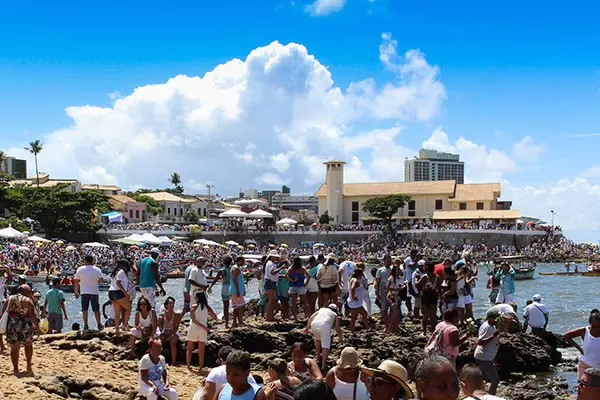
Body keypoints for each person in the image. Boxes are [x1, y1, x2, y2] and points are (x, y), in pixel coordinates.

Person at [0, 284, 39, 375]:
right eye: (29, 292)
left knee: (14, 348)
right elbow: (32, 315)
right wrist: (37, 326)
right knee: (28, 345)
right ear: (25, 292)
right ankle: (28, 365)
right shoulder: (28, 301)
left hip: (12, 324)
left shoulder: (10, 299)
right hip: (26, 324)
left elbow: (3, 313)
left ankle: (16, 369)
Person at [564, 309, 600, 380]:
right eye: (594, 326)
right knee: (582, 387)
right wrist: (580, 348)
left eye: (599, 327)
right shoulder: (584, 331)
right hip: (585, 365)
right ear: (590, 323)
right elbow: (566, 336)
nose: (597, 329)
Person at [305, 304, 342, 370]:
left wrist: (307, 328)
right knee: (326, 345)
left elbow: (311, 318)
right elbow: (337, 327)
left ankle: (318, 356)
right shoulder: (335, 314)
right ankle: (323, 364)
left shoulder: (321, 309)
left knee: (317, 339)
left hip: (314, 324)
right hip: (325, 326)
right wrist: (340, 337)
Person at [187, 291, 217, 371]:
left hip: (194, 328)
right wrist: (206, 324)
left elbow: (193, 320)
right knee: (201, 350)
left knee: (190, 348)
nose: (195, 298)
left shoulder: (194, 306)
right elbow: (215, 316)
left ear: (198, 298)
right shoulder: (207, 307)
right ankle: (200, 367)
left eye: (195, 297)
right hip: (203, 330)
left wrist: (203, 326)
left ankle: (188, 365)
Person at [474, 308, 502, 395]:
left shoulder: (491, 326)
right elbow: (480, 342)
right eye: (496, 317)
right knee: (495, 379)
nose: (498, 319)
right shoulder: (486, 327)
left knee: (484, 377)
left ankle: (476, 393)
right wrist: (493, 336)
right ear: (490, 317)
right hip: (484, 357)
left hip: (487, 356)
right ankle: (490, 397)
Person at [74, 254, 103, 331]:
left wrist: (76, 292)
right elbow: (100, 280)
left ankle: (86, 325)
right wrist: (95, 281)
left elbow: (76, 281)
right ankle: (99, 324)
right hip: (94, 291)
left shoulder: (80, 269)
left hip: (84, 291)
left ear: (85, 260)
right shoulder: (97, 269)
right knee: (96, 309)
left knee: (84, 309)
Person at [108, 259, 132, 334]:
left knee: (117, 312)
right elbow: (118, 283)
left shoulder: (115, 272)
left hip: (111, 292)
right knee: (128, 308)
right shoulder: (121, 272)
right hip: (118, 292)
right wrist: (125, 293)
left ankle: (117, 329)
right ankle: (124, 325)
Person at [208, 256, 233, 327]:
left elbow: (215, 279)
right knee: (234, 305)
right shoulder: (233, 269)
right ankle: (234, 321)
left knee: (225, 306)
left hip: (225, 288)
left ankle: (226, 323)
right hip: (232, 288)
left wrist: (210, 286)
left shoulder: (222, 270)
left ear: (223, 262)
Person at [158, 296, 183, 365]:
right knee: (159, 342)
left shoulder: (176, 315)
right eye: (170, 303)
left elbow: (176, 327)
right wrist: (162, 332)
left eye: (173, 303)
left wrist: (171, 334)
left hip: (174, 332)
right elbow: (160, 326)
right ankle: (158, 359)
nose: (172, 305)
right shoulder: (162, 315)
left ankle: (173, 362)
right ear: (166, 305)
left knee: (173, 343)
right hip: (165, 331)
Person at [416, 261, 439, 335]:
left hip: (425, 296)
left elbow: (417, 285)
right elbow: (439, 286)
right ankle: (433, 331)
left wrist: (417, 279)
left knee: (425, 315)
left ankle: (424, 332)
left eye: (425, 266)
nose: (423, 267)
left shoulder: (425, 276)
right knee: (433, 315)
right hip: (434, 295)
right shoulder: (436, 276)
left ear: (427, 268)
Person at [286, 257, 311, 321]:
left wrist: (292, 280)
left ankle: (295, 318)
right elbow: (309, 276)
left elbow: (286, 276)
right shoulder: (302, 268)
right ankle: (308, 316)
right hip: (301, 286)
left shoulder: (291, 268)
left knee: (293, 303)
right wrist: (306, 283)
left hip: (292, 286)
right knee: (305, 302)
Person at [347, 268, 369, 332]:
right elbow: (352, 288)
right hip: (355, 303)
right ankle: (352, 331)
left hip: (358, 302)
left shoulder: (354, 279)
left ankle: (367, 329)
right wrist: (353, 297)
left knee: (365, 314)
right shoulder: (355, 280)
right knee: (354, 318)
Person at [386, 262, 405, 333]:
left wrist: (400, 286)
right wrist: (397, 289)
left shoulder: (397, 278)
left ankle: (396, 326)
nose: (399, 271)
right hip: (391, 295)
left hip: (396, 295)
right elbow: (387, 288)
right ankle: (390, 327)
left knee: (396, 311)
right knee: (395, 311)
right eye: (397, 270)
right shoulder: (391, 278)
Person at [264, 251, 283, 322]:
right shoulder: (270, 264)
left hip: (271, 282)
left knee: (272, 301)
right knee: (271, 301)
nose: (277, 258)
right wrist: (281, 268)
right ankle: (269, 317)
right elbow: (273, 272)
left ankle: (270, 316)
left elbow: (273, 274)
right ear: (271, 256)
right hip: (270, 283)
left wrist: (282, 275)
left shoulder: (271, 263)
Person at [375, 255, 393, 325]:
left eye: (390, 260)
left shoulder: (393, 269)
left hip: (392, 290)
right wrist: (377, 293)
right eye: (388, 260)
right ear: (384, 261)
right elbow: (377, 282)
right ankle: (386, 324)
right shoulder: (380, 270)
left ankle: (391, 322)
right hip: (383, 290)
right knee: (384, 307)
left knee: (392, 307)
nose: (389, 262)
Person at [230, 256, 247, 327]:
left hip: (236, 290)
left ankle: (235, 322)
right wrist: (237, 290)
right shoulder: (235, 268)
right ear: (239, 261)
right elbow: (234, 280)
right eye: (243, 261)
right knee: (241, 306)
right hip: (236, 290)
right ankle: (240, 321)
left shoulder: (236, 268)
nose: (244, 263)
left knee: (236, 307)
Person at [0, 264, 13, 352]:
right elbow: (10, 278)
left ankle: (2, 345)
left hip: (1, 302)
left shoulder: (1, 280)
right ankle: (2, 346)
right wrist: (8, 269)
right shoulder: (1, 280)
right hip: (0, 302)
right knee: (1, 324)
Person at [404, 250, 417, 318]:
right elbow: (411, 266)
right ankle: (410, 311)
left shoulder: (414, 260)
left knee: (415, 295)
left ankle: (415, 311)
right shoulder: (408, 259)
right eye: (414, 255)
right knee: (408, 296)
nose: (415, 256)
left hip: (414, 280)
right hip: (409, 280)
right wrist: (417, 260)